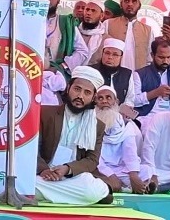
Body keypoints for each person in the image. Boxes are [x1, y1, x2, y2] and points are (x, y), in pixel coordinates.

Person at [35, 66, 112, 205]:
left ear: (93, 97)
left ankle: (47, 194)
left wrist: (67, 169)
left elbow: (92, 160)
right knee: (23, 182)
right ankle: (75, 196)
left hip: (72, 176)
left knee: (91, 189)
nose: (80, 96)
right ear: (68, 88)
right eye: (77, 89)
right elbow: (32, 148)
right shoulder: (45, 113)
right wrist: (44, 170)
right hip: (43, 175)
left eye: (87, 92)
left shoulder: (97, 126)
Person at [96, 85, 153, 194]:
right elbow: (95, 157)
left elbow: (130, 152)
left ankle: (126, 187)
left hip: (122, 169)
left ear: (116, 101)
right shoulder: (91, 124)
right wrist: (110, 175)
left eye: (108, 97)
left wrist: (133, 174)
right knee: (91, 176)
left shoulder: (126, 124)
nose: (104, 101)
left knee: (146, 170)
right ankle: (129, 188)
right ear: (95, 102)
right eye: (100, 98)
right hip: (101, 169)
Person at [134, 38, 170, 129]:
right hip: (148, 117)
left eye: (168, 57)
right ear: (152, 55)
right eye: (161, 57)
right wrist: (155, 93)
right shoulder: (139, 74)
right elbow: (133, 101)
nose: (165, 61)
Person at [40, 0, 89, 78]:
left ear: (58, 1)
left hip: (57, 75)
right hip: (31, 70)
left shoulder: (67, 23)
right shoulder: (31, 21)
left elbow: (82, 51)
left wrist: (62, 66)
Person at [103, 0, 155, 70]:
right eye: (126, 1)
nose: (130, 4)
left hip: (137, 74)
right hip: (111, 73)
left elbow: (149, 58)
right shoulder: (108, 24)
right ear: (121, 4)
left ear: (139, 6)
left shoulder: (148, 30)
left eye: (134, 1)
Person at [90, 38, 135, 108]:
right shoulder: (91, 71)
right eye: (107, 53)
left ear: (121, 57)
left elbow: (129, 100)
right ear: (102, 54)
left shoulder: (127, 74)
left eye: (115, 55)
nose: (110, 57)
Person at [79, 0, 107, 65]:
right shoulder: (74, 32)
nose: (89, 13)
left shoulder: (106, 39)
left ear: (101, 16)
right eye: (87, 9)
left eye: (93, 11)